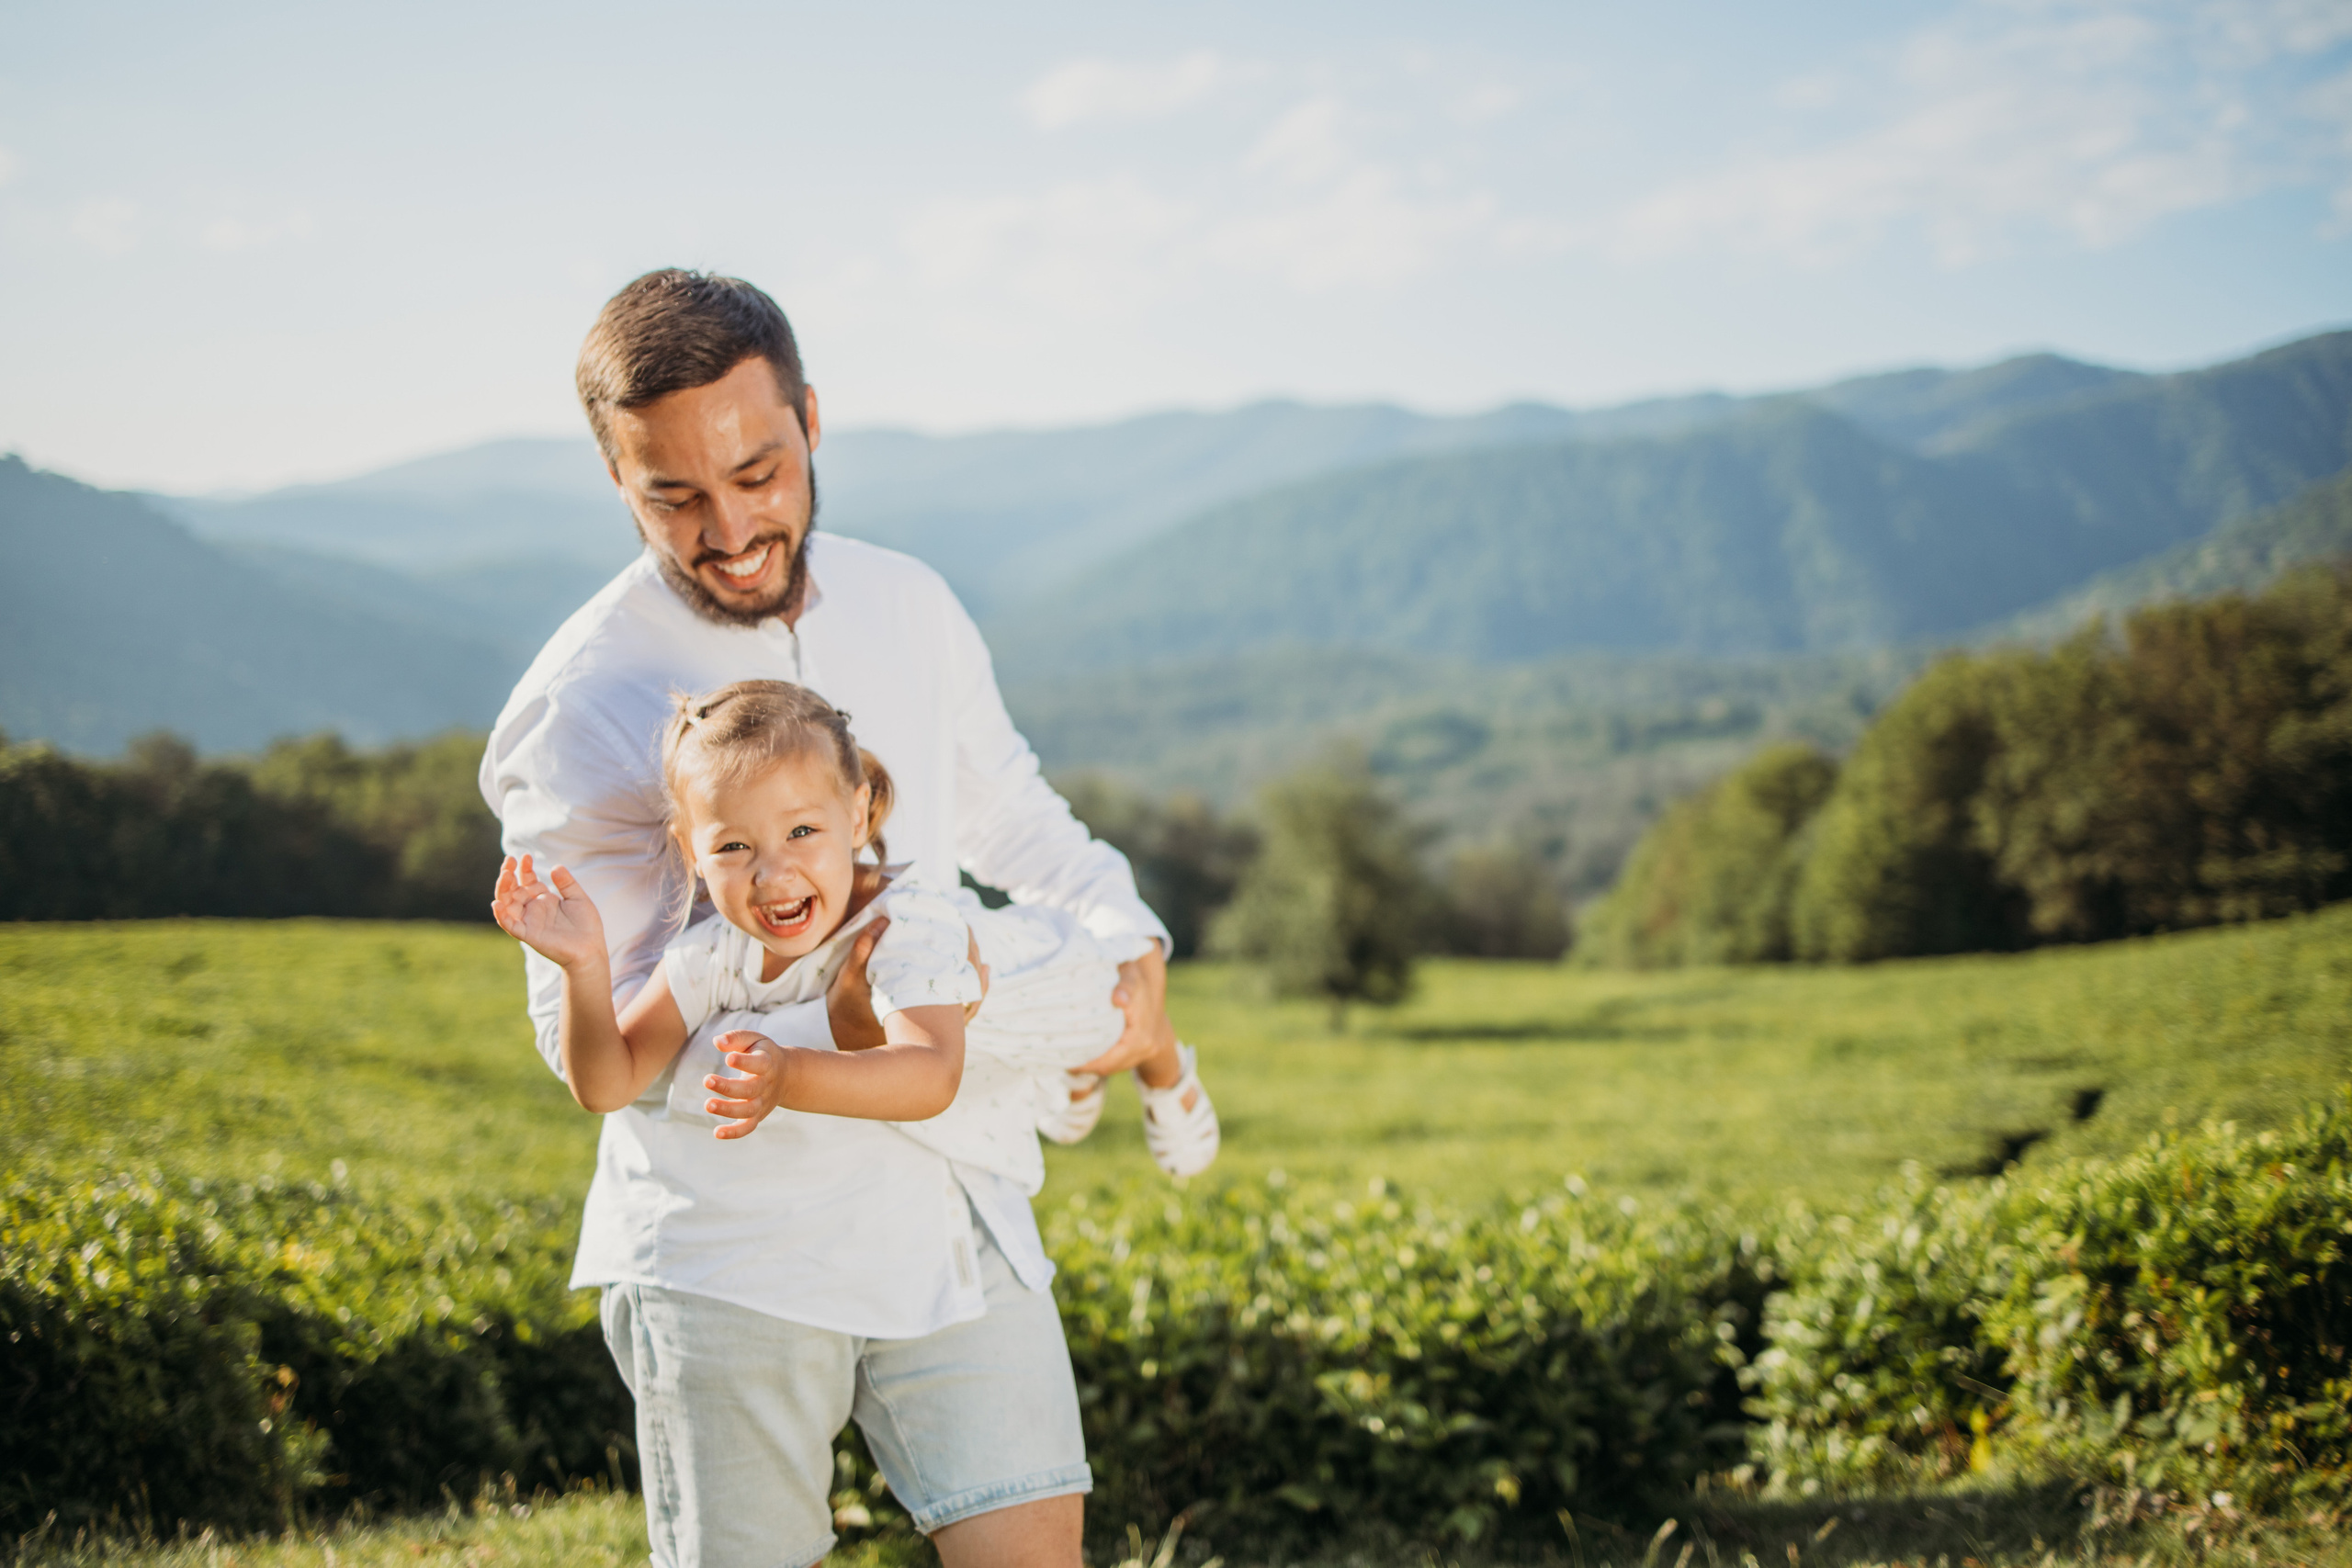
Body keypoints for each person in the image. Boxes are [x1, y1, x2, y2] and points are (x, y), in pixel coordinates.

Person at [477, 268, 1203, 1568]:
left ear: (810, 419)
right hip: (734, 1252)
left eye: (759, 470)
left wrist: (1124, 933)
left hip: (951, 1199)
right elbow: (589, 1049)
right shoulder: (582, 702)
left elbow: (1009, 810)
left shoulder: (907, 601)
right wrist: (859, 1031)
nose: (734, 527)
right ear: (617, 482)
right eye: (675, 497)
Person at [490, 678, 1219, 1185]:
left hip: (1048, 977)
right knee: (1037, 1084)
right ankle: (1073, 1071)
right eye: (734, 847)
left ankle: (1156, 1059)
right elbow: (608, 1082)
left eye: (802, 831)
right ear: (691, 851)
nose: (772, 876)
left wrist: (792, 1073)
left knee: (1120, 1016)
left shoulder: (910, 924)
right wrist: (584, 967)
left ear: (859, 815)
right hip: (992, 1059)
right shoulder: (712, 954)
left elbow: (931, 1073)